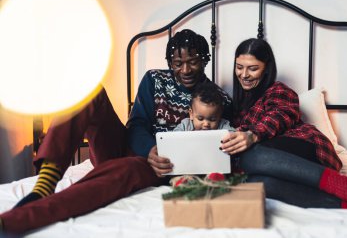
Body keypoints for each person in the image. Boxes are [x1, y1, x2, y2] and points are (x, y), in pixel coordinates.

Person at [0, 29, 232, 234]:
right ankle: (45, 184)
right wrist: (150, 148)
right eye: (177, 62)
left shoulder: (216, 98)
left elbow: (218, 144)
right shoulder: (154, 79)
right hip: (132, 147)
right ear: (169, 61)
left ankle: (16, 219)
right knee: (89, 90)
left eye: (193, 61)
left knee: (122, 170)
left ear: (204, 60)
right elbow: (137, 124)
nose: (185, 69)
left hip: (156, 168)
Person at [220, 38, 347, 214]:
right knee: (256, 182)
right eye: (239, 67)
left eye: (253, 68)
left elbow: (279, 116)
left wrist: (252, 135)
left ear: (266, 69)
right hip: (277, 165)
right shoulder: (236, 108)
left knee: (250, 157)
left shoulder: (278, 90)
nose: (244, 74)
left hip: (308, 148)